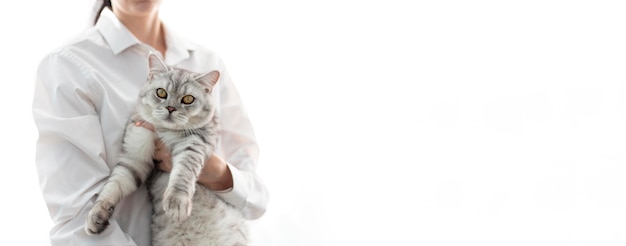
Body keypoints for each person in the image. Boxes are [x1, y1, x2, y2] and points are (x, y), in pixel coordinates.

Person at [31, 0, 269, 245]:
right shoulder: (67, 65)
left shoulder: (208, 62)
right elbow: (76, 220)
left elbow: (256, 200)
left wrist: (215, 171)